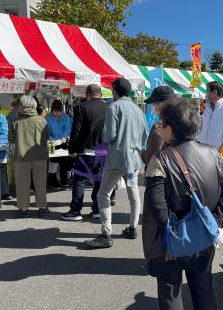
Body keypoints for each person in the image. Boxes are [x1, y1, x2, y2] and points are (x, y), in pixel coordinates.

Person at [143, 100, 223, 310]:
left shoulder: (161, 159)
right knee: (203, 290)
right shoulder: (215, 154)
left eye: (162, 124)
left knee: (170, 293)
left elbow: (156, 204)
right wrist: (213, 221)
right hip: (204, 239)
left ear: (171, 128)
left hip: (172, 240)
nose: (160, 128)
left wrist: (171, 230)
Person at [85, 78, 148, 248]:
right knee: (133, 194)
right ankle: (133, 227)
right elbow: (144, 136)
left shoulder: (114, 107)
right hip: (134, 159)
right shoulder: (138, 110)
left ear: (115, 91)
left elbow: (109, 135)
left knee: (103, 194)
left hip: (116, 159)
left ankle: (106, 234)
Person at [62, 84, 109, 221]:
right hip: (103, 151)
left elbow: (76, 130)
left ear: (87, 95)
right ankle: (97, 210)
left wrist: (72, 150)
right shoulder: (108, 107)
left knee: (79, 181)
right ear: (100, 94)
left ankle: (76, 211)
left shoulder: (81, 107)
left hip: (85, 150)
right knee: (99, 182)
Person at [9, 95, 50, 218]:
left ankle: (24, 209)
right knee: (40, 183)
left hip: (21, 157)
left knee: (22, 184)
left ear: (21, 105)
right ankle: (42, 208)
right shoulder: (42, 120)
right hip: (40, 156)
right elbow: (46, 138)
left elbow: (11, 139)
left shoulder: (14, 121)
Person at [197, 81, 223, 168]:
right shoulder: (207, 107)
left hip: (218, 150)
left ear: (214, 92)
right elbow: (202, 126)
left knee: (217, 177)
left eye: (207, 91)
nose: (206, 93)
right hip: (202, 149)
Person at [141, 85, 176, 166]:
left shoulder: (159, 127)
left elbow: (150, 159)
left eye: (155, 103)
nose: (153, 106)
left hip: (161, 174)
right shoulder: (183, 122)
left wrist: (141, 152)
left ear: (164, 103)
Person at [45, 100, 72, 188]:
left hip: (63, 142)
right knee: (53, 161)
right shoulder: (47, 118)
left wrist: (64, 137)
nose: (57, 113)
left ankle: (64, 180)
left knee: (63, 161)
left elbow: (67, 128)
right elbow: (46, 131)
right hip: (51, 143)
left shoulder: (66, 117)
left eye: (59, 111)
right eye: (55, 111)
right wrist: (52, 140)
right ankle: (52, 181)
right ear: (52, 110)